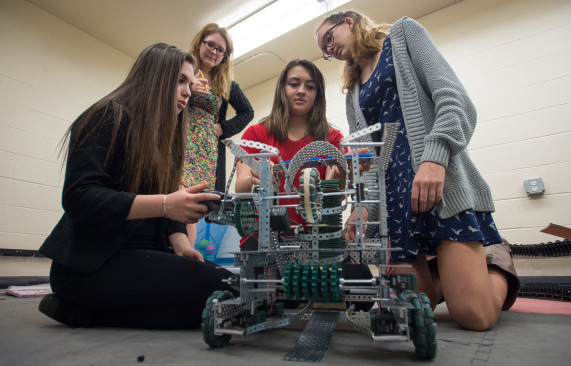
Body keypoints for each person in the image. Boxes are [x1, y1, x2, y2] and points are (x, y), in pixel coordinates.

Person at [316, 12, 519, 331]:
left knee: (473, 316)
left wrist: (435, 159)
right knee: (411, 311)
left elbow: (456, 102)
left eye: (329, 38)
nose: (330, 50)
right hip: (396, 202)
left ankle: (497, 262)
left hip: (438, 186)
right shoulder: (353, 90)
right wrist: (363, 209)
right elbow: (366, 160)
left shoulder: (404, 35)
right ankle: (447, 274)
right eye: (325, 50)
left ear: (349, 22)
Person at [38, 43, 235, 329]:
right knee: (226, 293)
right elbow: (79, 196)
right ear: (155, 76)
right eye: (180, 80)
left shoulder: (166, 141)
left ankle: (82, 313)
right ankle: (80, 307)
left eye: (190, 84)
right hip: (91, 266)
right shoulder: (107, 115)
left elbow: (169, 217)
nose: (188, 92)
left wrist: (181, 246)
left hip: (144, 256)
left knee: (225, 300)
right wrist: (167, 204)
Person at [234, 59, 344, 237]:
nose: (301, 91)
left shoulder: (332, 138)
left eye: (310, 87)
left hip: (315, 237)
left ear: (318, 95)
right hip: (263, 238)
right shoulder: (255, 134)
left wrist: (350, 169)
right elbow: (240, 188)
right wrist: (259, 178)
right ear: (282, 89)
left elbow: (338, 196)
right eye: (294, 84)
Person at [184, 23, 254, 245]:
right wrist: (187, 86)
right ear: (200, 43)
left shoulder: (227, 84)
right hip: (179, 142)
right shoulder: (182, 70)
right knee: (173, 193)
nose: (214, 51)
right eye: (210, 45)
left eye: (220, 49)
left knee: (194, 205)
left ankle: (186, 254)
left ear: (225, 56)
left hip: (206, 151)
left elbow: (247, 112)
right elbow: (162, 101)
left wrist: (222, 128)